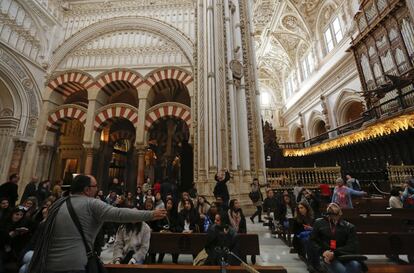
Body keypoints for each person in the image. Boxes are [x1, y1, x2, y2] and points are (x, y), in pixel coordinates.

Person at [27, 174, 166, 273]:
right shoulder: (91, 204)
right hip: (73, 265)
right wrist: (150, 214)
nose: (97, 188)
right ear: (87, 189)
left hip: (47, 263)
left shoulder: (58, 203)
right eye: (95, 186)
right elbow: (119, 214)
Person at [309, 203, 365, 273]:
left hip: (346, 256)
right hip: (328, 255)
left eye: (336, 215)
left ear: (340, 213)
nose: (334, 218)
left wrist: (335, 252)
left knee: (355, 266)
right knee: (342, 271)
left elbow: (353, 246)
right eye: (331, 215)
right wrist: (323, 252)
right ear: (327, 214)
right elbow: (313, 240)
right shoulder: (319, 223)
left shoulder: (349, 226)